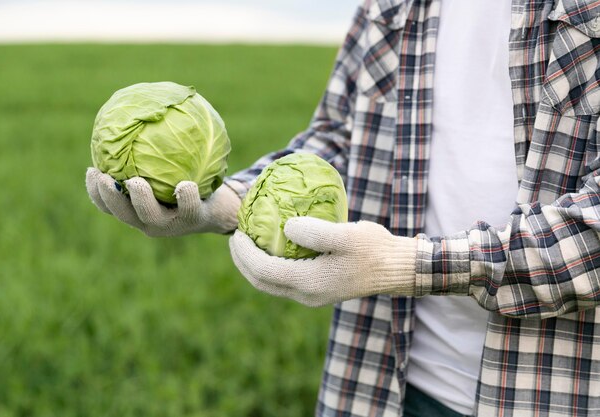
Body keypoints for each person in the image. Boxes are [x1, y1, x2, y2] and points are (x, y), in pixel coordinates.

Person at [86, 0, 600, 415]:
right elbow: (340, 135)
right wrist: (229, 201)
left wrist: (403, 264)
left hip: (547, 391)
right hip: (377, 382)